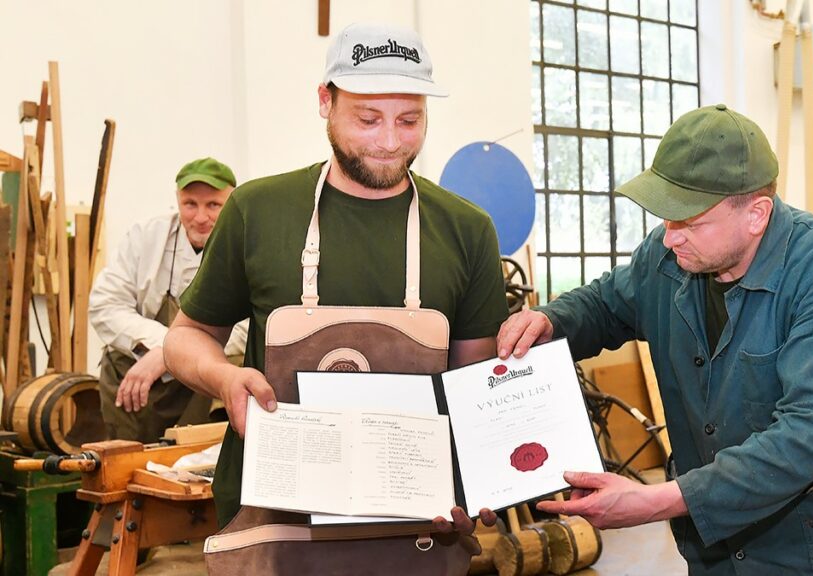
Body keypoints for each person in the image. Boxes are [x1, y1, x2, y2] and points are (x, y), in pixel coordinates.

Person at [497, 104, 813, 575]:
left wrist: (656, 501)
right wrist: (551, 321)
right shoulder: (670, 255)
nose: (670, 238)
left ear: (756, 214)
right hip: (716, 555)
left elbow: (807, 435)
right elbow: (605, 305)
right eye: (666, 218)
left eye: (689, 221)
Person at [163, 23, 507, 534]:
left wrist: (486, 475)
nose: (390, 142)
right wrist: (225, 378)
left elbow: (473, 386)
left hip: (415, 521)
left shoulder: (467, 229)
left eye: (409, 120)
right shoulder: (257, 210)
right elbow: (186, 337)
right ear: (325, 101)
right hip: (271, 519)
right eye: (368, 119)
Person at [90, 157, 247, 443]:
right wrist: (160, 345)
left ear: (231, 200)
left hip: (201, 380)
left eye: (213, 205)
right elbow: (105, 305)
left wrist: (170, 353)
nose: (201, 217)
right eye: (190, 204)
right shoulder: (146, 236)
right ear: (177, 200)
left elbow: (247, 327)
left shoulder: (246, 240)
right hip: (141, 375)